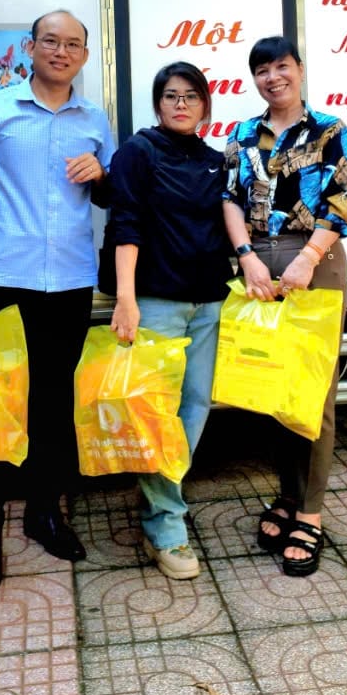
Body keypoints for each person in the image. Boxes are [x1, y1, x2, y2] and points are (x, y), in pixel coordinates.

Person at [0, 9, 115, 594]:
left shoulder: (95, 120)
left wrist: (100, 173)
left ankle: (44, 513)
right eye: (52, 41)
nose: (62, 51)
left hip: (68, 282)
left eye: (74, 44)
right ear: (31, 47)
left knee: (52, 406)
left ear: (84, 55)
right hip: (3, 279)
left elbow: (108, 199)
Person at [223, 35, 347, 577]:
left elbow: (343, 200)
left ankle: (310, 513)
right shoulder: (240, 134)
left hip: (316, 263)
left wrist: (305, 258)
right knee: (274, 387)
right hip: (258, 262)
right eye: (262, 69)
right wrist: (245, 258)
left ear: (299, 70)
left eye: (281, 66)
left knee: (315, 391)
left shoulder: (330, 130)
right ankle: (285, 495)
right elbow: (229, 200)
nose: (272, 77)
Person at [106, 62, 231, 579]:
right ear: (158, 105)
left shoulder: (214, 159)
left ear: (205, 106)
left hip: (209, 303)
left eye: (191, 96)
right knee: (157, 414)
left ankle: (162, 503)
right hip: (157, 300)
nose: (181, 104)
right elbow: (125, 222)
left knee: (195, 407)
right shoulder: (139, 150)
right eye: (171, 96)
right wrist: (126, 298)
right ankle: (166, 524)